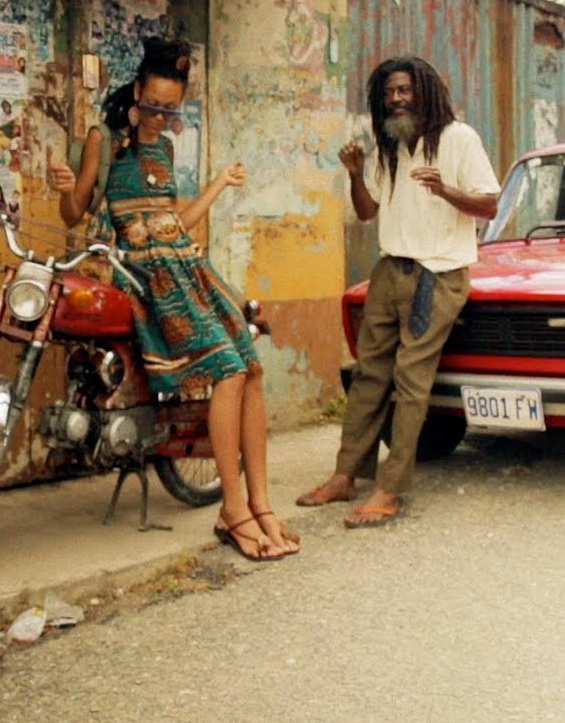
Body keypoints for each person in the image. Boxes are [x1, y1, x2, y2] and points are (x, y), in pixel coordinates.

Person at [48, 38, 298, 560]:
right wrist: (65, 187)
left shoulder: (164, 146)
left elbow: (175, 223)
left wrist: (217, 186)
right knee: (228, 371)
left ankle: (262, 505)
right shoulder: (105, 137)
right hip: (143, 276)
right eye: (155, 105)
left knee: (251, 368)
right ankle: (233, 511)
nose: (162, 118)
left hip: (186, 266)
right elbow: (74, 215)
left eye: (172, 109)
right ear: (138, 90)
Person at [296, 55, 499, 527]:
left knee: (410, 380)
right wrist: (353, 172)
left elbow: (488, 205)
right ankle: (346, 474)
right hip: (390, 269)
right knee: (369, 374)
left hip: (437, 273)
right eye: (389, 92)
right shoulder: (390, 144)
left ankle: (391, 488)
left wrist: (445, 190)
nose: (396, 99)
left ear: (425, 90)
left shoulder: (458, 139)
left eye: (404, 90)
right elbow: (367, 212)